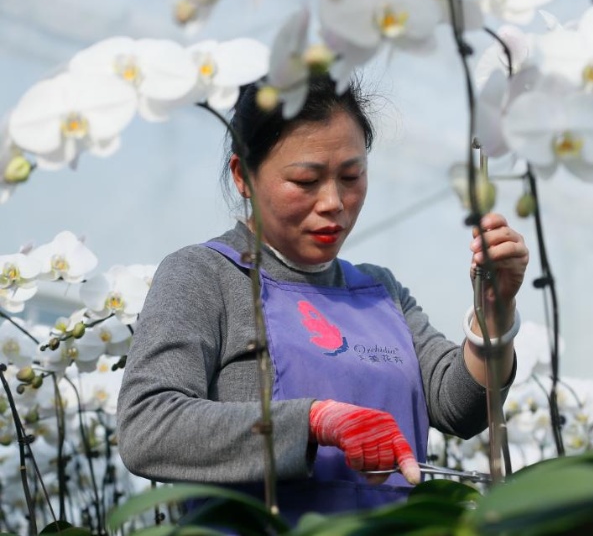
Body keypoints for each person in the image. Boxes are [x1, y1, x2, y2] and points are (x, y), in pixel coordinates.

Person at [116, 74, 529, 524]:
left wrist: (495, 313)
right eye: (306, 180)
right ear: (243, 176)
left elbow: (460, 407)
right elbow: (147, 425)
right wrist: (313, 423)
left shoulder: (379, 291)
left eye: (351, 176)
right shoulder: (205, 276)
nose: (334, 201)